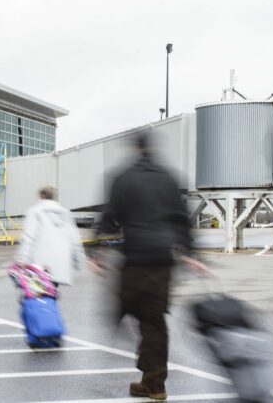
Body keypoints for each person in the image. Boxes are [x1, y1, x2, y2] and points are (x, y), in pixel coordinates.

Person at [98, 132, 208, 401]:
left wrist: (96, 250)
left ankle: (125, 333)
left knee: (125, 309)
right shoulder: (169, 178)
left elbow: (110, 217)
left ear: (135, 149)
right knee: (155, 321)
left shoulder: (122, 177)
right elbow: (182, 219)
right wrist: (192, 253)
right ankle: (155, 383)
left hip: (135, 260)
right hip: (162, 263)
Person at [16, 186, 88, 286]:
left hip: (39, 267)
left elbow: (29, 238)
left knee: (36, 297)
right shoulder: (65, 213)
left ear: (43, 196)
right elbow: (75, 241)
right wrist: (80, 263)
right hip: (60, 267)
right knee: (52, 294)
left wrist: (23, 259)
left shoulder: (35, 211)